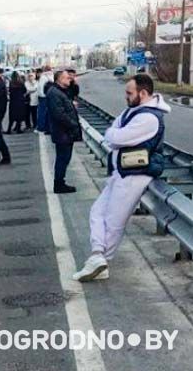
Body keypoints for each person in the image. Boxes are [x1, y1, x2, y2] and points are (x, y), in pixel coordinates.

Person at [73, 74, 170, 282]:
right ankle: (98, 256)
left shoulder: (149, 118)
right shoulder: (133, 111)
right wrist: (115, 134)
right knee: (97, 211)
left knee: (114, 220)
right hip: (123, 172)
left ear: (143, 93)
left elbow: (116, 136)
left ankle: (101, 259)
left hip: (135, 174)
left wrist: (115, 134)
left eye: (129, 93)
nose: (125, 96)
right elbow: (112, 134)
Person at [47, 71, 82, 193]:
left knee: (64, 158)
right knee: (62, 158)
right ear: (59, 79)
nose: (70, 80)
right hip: (63, 132)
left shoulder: (60, 91)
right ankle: (59, 184)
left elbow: (74, 91)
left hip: (65, 132)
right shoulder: (55, 93)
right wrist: (72, 124)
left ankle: (60, 182)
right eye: (67, 78)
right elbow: (59, 114)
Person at [36, 66, 54, 134]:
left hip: (43, 97)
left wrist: (41, 95)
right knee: (49, 113)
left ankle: (41, 127)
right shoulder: (52, 76)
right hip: (50, 96)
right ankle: (48, 127)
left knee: (41, 113)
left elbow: (40, 88)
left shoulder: (43, 77)